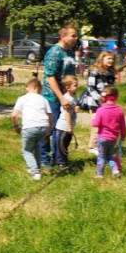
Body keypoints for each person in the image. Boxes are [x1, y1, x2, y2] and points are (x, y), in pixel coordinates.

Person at [40, 25, 78, 167]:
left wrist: (73, 97)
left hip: (67, 98)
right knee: (49, 129)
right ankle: (44, 159)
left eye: (76, 36)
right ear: (63, 36)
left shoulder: (70, 53)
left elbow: (71, 77)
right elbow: (50, 77)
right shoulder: (54, 52)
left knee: (63, 129)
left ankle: (59, 159)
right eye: (73, 35)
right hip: (52, 98)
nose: (76, 38)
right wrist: (61, 98)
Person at [11, 77, 53, 181]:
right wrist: (48, 131)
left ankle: (35, 171)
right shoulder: (44, 99)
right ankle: (37, 167)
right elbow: (50, 117)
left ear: (31, 88)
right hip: (44, 126)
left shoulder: (22, 98)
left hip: (29, 127)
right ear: (38, 89)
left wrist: (16, 126)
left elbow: (14, 115)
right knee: (37, 146)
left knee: (26, 150)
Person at [88, 86, 126, 179]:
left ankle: (100, 174)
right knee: (109, 155)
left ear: (104, 97)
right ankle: (115, 170)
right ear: (116, 97)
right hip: (113, 138)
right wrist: (123, 136)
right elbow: (123, 126)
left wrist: (93, 118)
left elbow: (95, 124)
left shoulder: (101, 110)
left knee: (101, 156)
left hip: (102, 138)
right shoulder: (119, 110)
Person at [53, 75, 79, 170]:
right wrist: (69, 127)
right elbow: (67, 114)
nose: (77, 87)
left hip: (68, 126)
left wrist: (76, 107)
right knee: (61, 146)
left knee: (65, 145)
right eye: (75, 85)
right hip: (63, 127)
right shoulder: (67, 99)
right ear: (67, 87)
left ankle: (64, 161)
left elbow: (74, 106)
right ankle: (60, 163)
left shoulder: (74, 96)